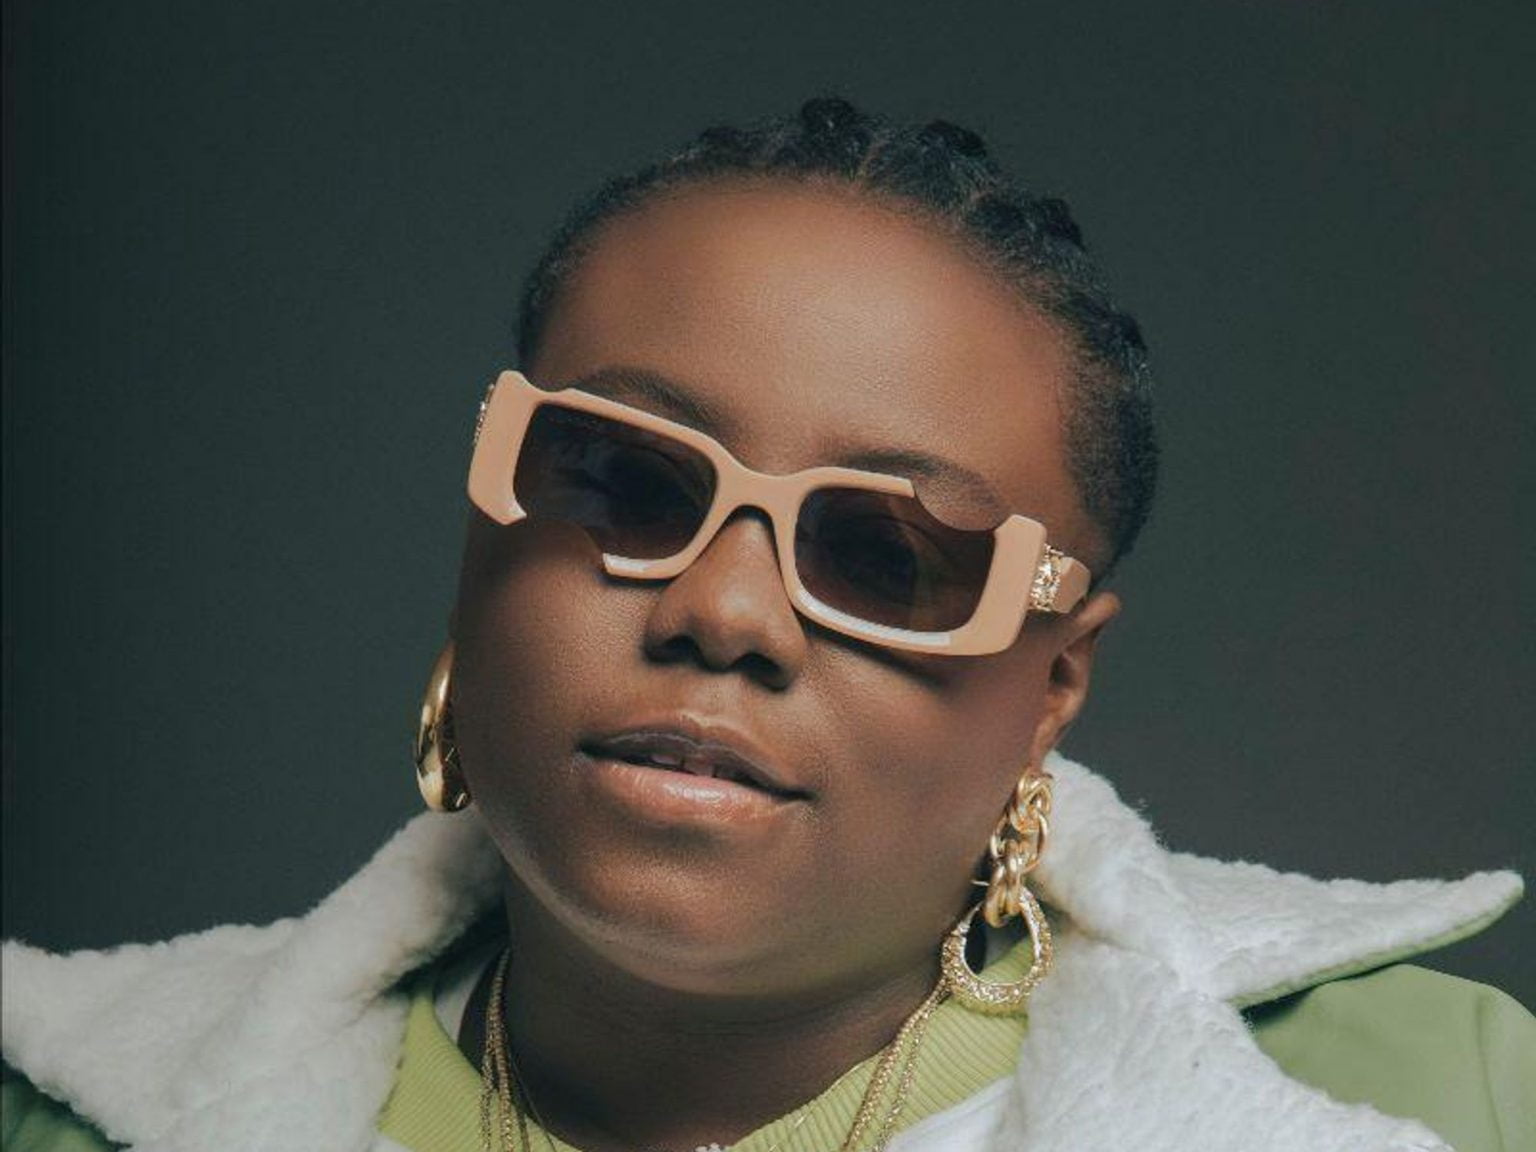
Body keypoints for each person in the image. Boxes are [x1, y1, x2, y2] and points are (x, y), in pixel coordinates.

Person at [2, 97, 1531, 1152]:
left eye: (887, 554)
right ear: (485, 525)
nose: (724, 611)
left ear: (1053, 681)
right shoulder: (60, 1108)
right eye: (622, 479)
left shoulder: (1438, 1100)